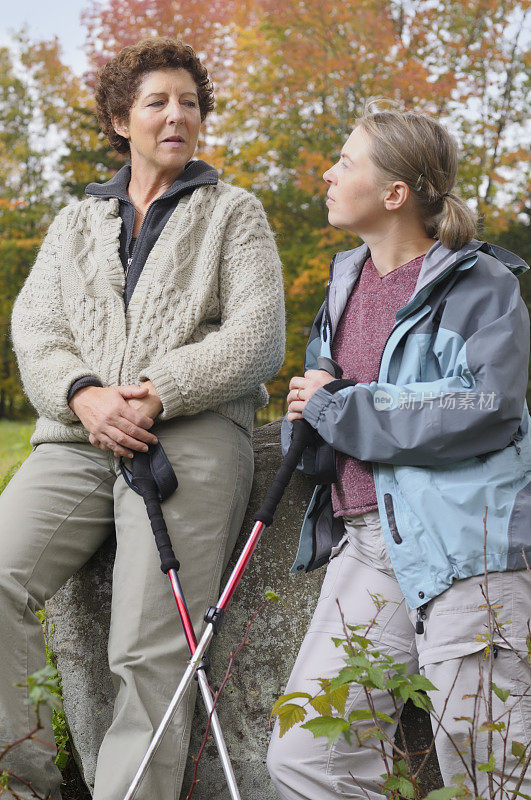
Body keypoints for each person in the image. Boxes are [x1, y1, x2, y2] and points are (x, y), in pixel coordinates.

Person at [2, 37, 285, 800]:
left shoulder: (234, 212)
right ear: (119, 118)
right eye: (157, 101)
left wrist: (161, 388)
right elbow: (36, 330)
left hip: (188, 434)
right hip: (81, 435)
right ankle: (21, 784)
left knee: (150, 645)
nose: (177, 115)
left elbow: (258, 336)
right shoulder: (73, 222)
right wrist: (84, 395)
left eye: (190, 102)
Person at [267, 105, 530, 800]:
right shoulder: (343, 279)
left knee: (488, 773)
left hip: (466, 549)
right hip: (364, 546)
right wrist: (312, 414)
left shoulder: (482, 286)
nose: (327, 173)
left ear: (395, 194)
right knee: (306, 756)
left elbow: (487, 407)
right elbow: (320, 403)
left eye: (345, 161)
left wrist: (335, 406)